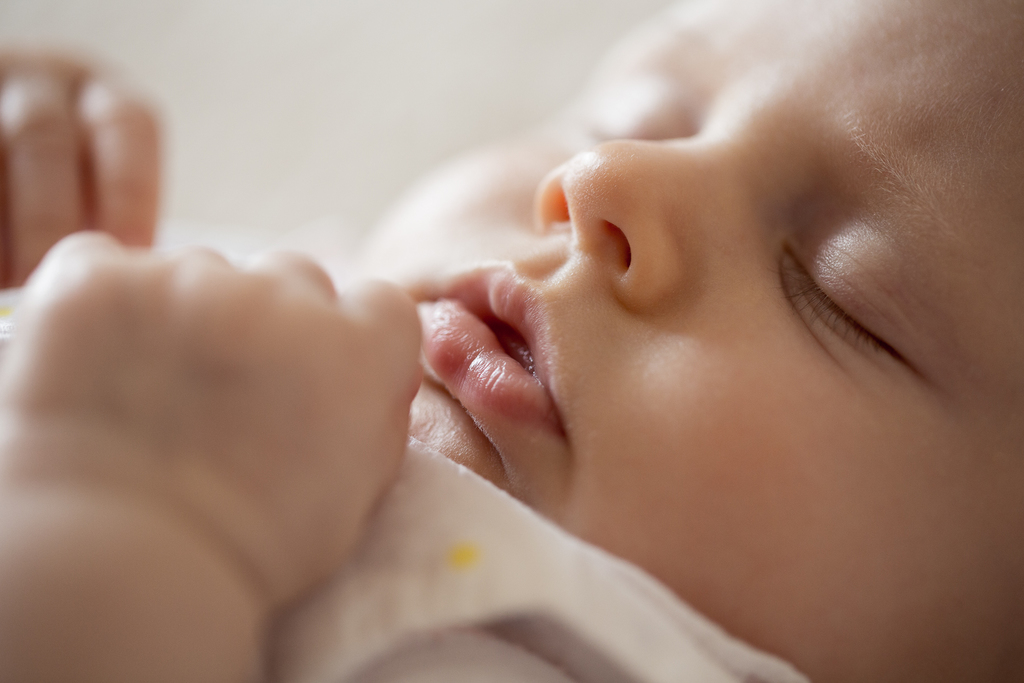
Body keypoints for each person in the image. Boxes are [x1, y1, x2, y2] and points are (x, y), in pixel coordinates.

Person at [0, 0, 1022, 680]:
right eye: (633, 114)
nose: (604, 180)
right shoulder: (266, 303)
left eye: (833, 290)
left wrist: (133, 513)